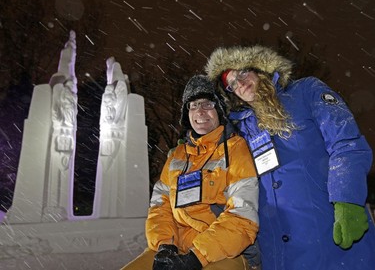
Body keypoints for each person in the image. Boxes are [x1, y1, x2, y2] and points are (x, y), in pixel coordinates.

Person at [205, 45, 375, 270]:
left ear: (259, 67)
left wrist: (347, 200)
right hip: (278, 249)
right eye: (232, 83)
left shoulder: (307, 91)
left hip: (329, 232)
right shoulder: (239, 128)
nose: (240, 83)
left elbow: (346, 144)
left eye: (243, 72)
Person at [121, 75, 259, 270]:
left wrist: (196, 257)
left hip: (222, 251)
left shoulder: (236, 149)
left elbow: (243, 216)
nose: (200, 111)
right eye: (193, 105)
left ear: (218, 109)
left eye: (207, 103)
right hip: (176, 247)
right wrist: (165, 246)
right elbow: (160, 207)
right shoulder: (176, 155)